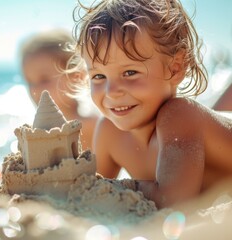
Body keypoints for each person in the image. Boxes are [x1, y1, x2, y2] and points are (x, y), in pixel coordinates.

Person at [68, 0, 232, 208]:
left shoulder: (180, 115)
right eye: (99, 76)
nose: (112, 92)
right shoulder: (109, 132)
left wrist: (114, 187)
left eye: (129, 72)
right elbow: (88, 194)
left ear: (175, 68)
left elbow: (173, 202)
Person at [19, 28, 98, 150]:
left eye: (44, 80)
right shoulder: (36, 132)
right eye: (30, 82)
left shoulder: (93, 126)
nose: (35, 90)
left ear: (77, 76)